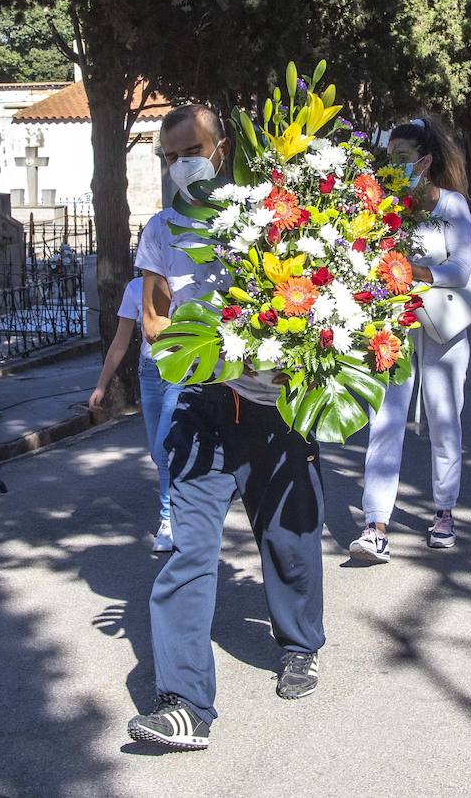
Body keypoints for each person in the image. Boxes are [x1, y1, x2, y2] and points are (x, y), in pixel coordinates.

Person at [127, 105, 326, 752]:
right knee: (188, 551)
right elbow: (156, 323)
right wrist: (217, 346)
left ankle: (298, 644)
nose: (177, 164)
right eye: (165, 156)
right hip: (202, 409)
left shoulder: (269, 215)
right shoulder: (161, 230)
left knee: (288, 537)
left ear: (220, 149)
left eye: (189, 149)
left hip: (273, 410)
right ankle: (184, 702)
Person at [352, 115, 471, 564]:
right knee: (384, 416)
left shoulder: (452, 207)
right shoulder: (382, 207)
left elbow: (460, 271)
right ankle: (375, 523)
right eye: (389, 158)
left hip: (443, 324)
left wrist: (410, 272)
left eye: (402, 159)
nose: (393, 167)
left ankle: (443, 511)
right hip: (395, 323)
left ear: (424, 162)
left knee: (445, 417)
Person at [88, 276, 179, 552]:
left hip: (182, 371)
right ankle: (185, 502)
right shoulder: (136, 288)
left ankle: (169, 521)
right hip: (150, 372)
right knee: (156, 451)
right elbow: (120, 342)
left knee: (164, 447)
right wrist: (101, 386)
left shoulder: (184, 281)